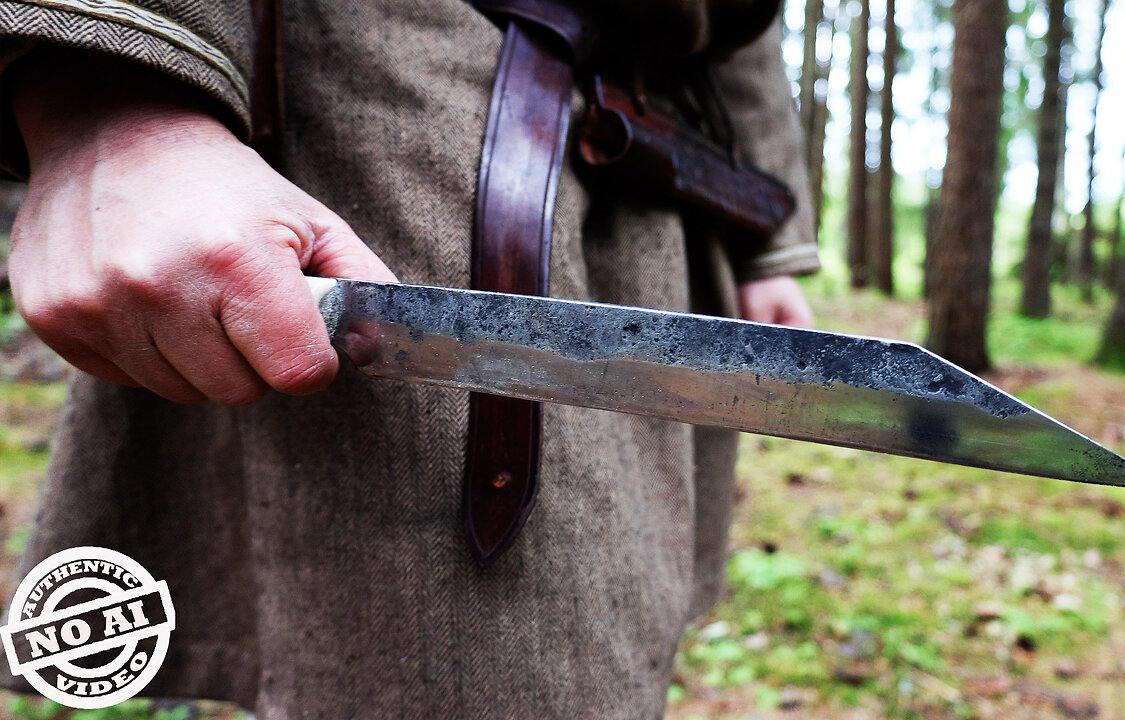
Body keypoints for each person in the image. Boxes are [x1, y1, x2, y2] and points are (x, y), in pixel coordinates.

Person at [0, 0, 819, 716]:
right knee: (468, 663)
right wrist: (106, 86)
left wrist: (769, 239)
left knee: (624, 622)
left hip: (664, 164)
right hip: (410, 116)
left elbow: (751, 38)